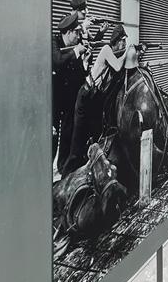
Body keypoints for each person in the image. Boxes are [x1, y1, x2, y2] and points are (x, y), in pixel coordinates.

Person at [63, 24, 140, 176]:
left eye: (125, 42)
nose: (124, 44)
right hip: (85, 94)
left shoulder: (112, 53)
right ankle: (67, 175)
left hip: (92, 98)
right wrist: (127, 52)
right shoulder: (106, 49)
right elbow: (118, 67)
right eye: (123, 41)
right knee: (77, 141)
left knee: (94, 134)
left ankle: (88, 169)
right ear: (117, 41)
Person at [52, 11, 88, 175]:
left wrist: (85, 62)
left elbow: (80, 74)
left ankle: (64, 169)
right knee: (52, 138)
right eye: (77, 32)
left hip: (69, 99)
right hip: (53, 100)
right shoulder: (54, 42)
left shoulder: (76, 45)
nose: (79, 35)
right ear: (67, 32)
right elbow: (58, 62)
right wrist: (75, 53)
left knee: (68, 135)